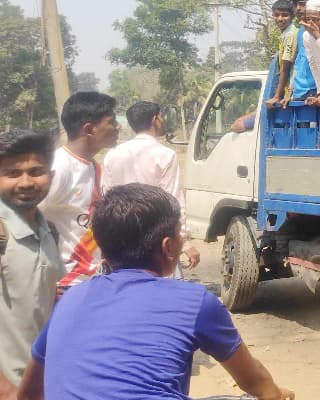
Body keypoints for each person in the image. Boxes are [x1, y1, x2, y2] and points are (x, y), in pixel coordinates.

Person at [17, 184, 294, 400]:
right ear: (168, 247)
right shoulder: (195, 302)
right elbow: (254, 380)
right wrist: (277, 394)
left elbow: (29, 393)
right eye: (179, 233)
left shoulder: (70, 299)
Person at [0, 130, 63, 396]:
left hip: (40, 380)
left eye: (36, 171)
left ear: (52, 175)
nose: (26, 182)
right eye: (12, 173)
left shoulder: (48, 230)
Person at [102, 102, 199, 271]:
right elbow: (174, 201)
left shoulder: (112, 155)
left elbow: (106, 199)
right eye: (161, 117)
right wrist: (184, 241)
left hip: (121, 237)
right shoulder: (165, 155)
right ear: (155, 119)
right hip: (155, 238)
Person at [38, 91, 119, 290]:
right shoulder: (59, 167)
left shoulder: (93, 166)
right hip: (64, 284)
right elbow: (24, 221)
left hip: (89, 279)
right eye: (111, 122)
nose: (118, 127)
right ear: (89, 129)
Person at [263, 0, 302, 108]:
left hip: (293, 89)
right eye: (276, 15)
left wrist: (277, 96)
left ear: (292, 16)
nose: (280, 19)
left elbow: (285, 68)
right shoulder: (285, 34)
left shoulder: (291, 34)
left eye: (284, 15)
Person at [288, 0, 318, 102]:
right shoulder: (300, 31)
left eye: (302, 4)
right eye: (296, 5)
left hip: (315, 91)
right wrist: (290, 91)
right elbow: (298, 63)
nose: (298, 8)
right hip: (299, 91)